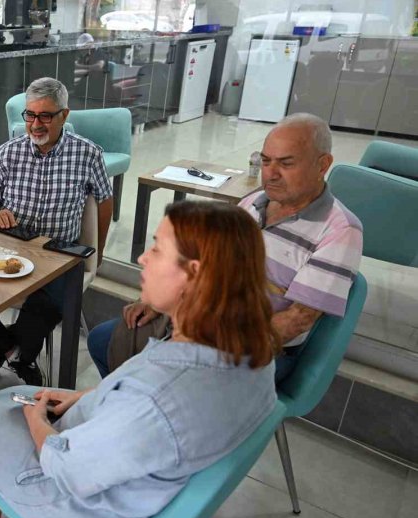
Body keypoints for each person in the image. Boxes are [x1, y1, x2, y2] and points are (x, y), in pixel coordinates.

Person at [0, 200, 279, 518]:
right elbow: (143, 413)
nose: (143, 258)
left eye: (156, 248)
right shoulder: (250, 350)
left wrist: (36, 422)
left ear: (194, 275)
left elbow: (68, 468)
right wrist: (89, 397)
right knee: (10, 403)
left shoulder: (155, 400)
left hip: (90, 511)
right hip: (129, 471)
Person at [88, 113, 364, 383]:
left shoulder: (340, 230)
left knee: (160, 377)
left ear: (322, 164)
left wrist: (212, 346)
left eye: (286, 163)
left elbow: (296, 320)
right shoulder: (255, 202)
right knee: (104, 341)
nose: (272, 173)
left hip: (258, 344)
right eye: (266, 161)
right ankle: (131, 408)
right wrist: (156, 302)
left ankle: (150, 414)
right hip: (205, 322)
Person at [0, 77, 113, 386]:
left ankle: (8, 354)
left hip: (59, 251)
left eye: (45, 115)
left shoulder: (87, 154)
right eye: (30, 115)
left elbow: (104, 200)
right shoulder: (8, 152)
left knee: (46, 303)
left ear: (64, 115)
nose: (35, 124)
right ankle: (12, 351)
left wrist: (96, 253)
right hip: (10, 247)